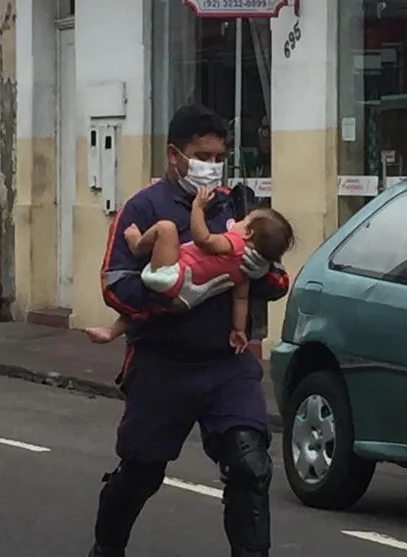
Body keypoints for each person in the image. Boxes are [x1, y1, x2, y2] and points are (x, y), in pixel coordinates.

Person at [88, 104, 290, 557]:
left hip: (227, 362)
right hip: (163, 363)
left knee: (250, 465)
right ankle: (106, 549)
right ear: (174, 155)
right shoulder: (143, 208)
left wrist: (261, 271)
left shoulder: (237, 205)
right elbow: (114, 284)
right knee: (141, 472)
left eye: (219, 157)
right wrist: (171, 298)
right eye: (203, 156)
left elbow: (277, 281)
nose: (211, 167)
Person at [84, 186, 294, 354]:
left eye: (243, 221)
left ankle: (136, 243)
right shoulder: (244, 271)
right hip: (183, 300)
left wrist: (197, 208)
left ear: (248, 234)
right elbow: (241, 300)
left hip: (171, 276)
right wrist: (238, 330)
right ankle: (112, 331)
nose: (237, 222)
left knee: (166, 228)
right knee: (142, 312)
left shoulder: (234, 244)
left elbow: (203, 239)